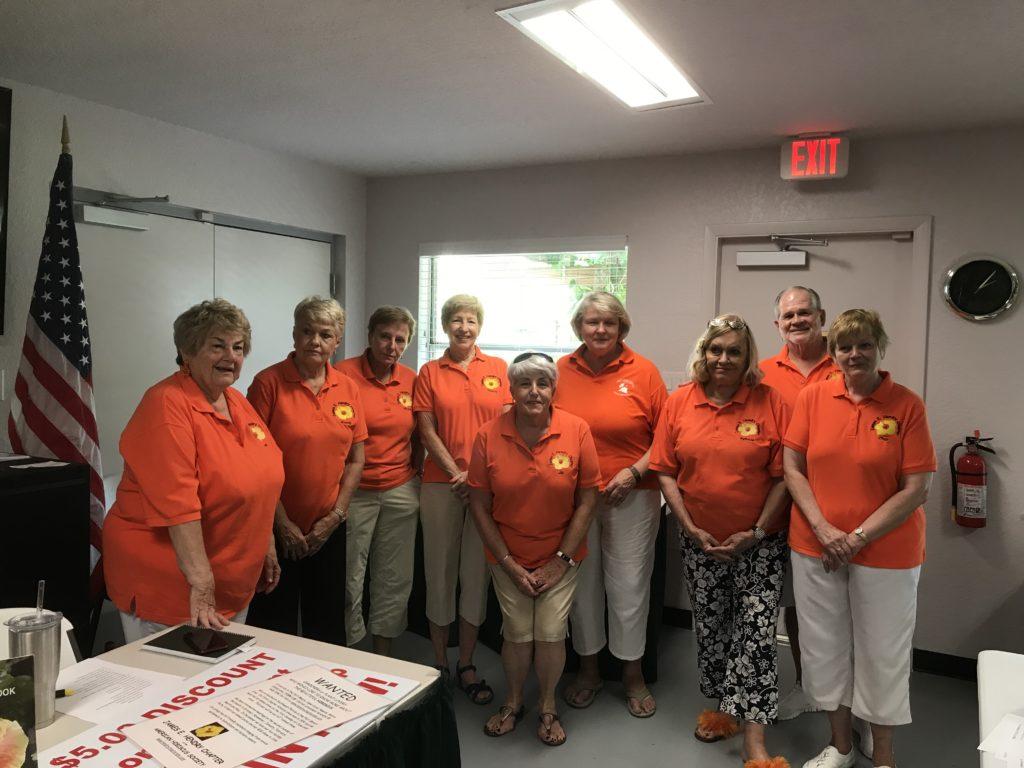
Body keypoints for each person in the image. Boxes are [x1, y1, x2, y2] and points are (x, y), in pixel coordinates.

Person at [784, 309, 935, 768]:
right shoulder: (812, 398)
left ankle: (884, 755)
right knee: (823, 647)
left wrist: (857, 536)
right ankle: (842, 746)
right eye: (845, 347)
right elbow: (793, 467)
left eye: (864, 345)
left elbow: (917, 488)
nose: (854, 354)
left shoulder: (906, 405)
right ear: (833, 353)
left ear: (879, 347)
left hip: (887, 552)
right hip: (815, 548)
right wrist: (827, 531)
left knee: (882, 653)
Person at [651, 314, 791, 768]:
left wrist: (754, 532)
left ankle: (754, 741)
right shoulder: (679, 402)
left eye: (734, 350)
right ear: (703, 353)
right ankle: (719, 711)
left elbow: (784, 476)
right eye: (716, 349)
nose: (723, 359)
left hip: (760, 543)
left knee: (754, 634)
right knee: (711, 630)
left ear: (748, 356)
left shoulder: (771, 402)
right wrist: (688, 525)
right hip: (699, 541)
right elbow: (665, 470)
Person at [104, 299, 284, 642]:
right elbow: (179, 506)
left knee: (218, 680)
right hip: (174, 584)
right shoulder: (166, 404)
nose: (230, 356)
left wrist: (266, 543)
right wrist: (201, 585)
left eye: (238, 347)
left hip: (231, 579)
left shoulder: (235, 401)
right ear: (187, 351)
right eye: (217, 346)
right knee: (173, 686)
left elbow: (262, 481)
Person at [468, 353, 600, 747]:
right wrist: (508, 564)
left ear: (553, 389)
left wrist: (560, 561)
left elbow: (589, 499)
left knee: (549, 632)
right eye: (524, 383)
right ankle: (512, 703)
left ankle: (547, 707)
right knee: (517, 632)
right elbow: (478, 504)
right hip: (507, 555)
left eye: (543, 382)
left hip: (561, 556)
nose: (534, 391)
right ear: (511, 390)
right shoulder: (487, 435)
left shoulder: (576, 430)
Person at [553, 291, 666, 718]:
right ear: (578, 326)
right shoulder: (561, 370)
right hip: (575, 499)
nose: (600, 330)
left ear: (622, 328)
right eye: (592, 322)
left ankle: (632, 675)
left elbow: (665, 438)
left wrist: (634, 472)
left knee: (629, 585)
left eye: (609, 323)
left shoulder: (644, 371)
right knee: (581, 584)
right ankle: (588, 669)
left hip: (631, 495)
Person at [245, 296, 366, 645]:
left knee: (326, 623)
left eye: (325, 334)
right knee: (273, 623)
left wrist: (336, 517)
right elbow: (253, 460)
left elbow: (356, 459)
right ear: (294, 334)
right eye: (307, 331)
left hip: (327, 528)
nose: (315, 341)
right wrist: (282, 525)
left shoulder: (347, 388)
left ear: (337, 341)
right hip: (275, 526)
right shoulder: (267, 383)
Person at [413, 294, 512, 703]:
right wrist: (456, 472)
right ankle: (439, 662)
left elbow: (507, 425)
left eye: (471, 320)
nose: (464, 328)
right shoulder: (430, 372)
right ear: (445, 325)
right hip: (441, 484)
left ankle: (467, 663)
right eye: (456, 320)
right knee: (439, 573)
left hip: (485, 488)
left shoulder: (499, 369)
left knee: (475, 575)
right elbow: (426, 429)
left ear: (480, 326)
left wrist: (476, 476)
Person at [759, 286, 841, 721]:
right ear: (777, 325)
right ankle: (806, 685)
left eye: (804, 313)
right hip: (777, 502)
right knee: (794, 601)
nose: (796, 321)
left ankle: (851, 704)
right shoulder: (762, 371)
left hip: (837, 503)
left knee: (842, 610)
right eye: (788, 316)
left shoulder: (845, 361)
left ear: (821, 315)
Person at [336, 306, 421, 656]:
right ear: (370, 335)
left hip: (401, 489)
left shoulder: (411, 379)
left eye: (400, 340)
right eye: (385, 336)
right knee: (350, 574)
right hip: (356, 492)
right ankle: (351, 646)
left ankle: (383, 648)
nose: (391, 345)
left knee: (394, 576)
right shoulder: (342, 375)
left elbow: (418, 436)